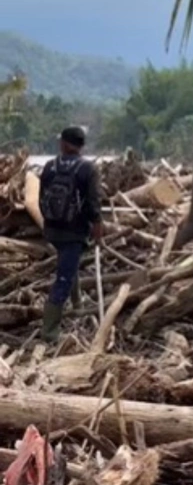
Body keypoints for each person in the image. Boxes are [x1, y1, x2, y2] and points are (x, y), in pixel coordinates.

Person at [38, 127, 103, 343]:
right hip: (74, 232)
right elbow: (93, 203)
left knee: (69, 263)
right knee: (64, 278)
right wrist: (97, 224)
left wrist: (50, 222)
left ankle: (77, 306)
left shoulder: (49, 167)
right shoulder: (88, 169)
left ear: (64, 144)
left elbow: (41, 199)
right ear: (81, 145)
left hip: (52, 230)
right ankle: (49, 332)